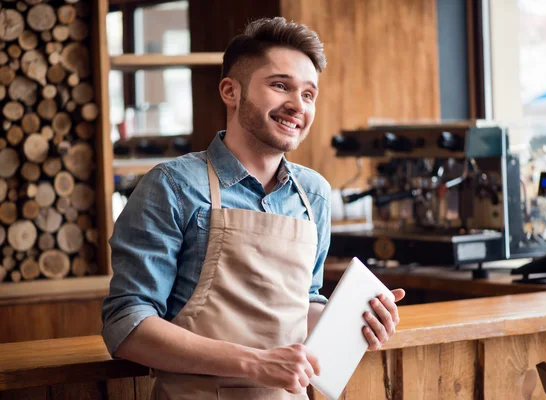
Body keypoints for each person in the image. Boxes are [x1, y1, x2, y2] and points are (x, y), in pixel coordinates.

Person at [102, 17, 405, 399]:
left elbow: (301, 304)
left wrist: (353, 322)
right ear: (231, 91)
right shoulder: (172, 186)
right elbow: (127, 325)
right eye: (280, 86)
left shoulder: (313, 194)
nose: (297, 105)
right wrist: (256, 363)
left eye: (309, 94)